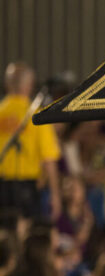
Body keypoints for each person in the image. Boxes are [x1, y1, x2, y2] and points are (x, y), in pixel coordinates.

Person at [0, 62, 61, 223]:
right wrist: (55, 195)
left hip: (2, 184)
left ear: (7, 84)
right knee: (25, 229)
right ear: (29, 85)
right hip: (26, 187)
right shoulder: (36, 116)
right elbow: (49, 158)